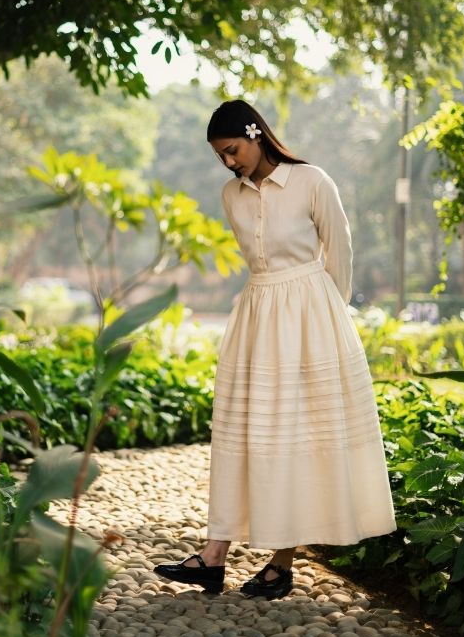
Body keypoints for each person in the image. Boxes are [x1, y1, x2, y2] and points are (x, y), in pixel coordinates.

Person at [155, 100, 396, 599]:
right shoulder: (231, 194)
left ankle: (280, 564)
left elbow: (340, 251)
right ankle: (214, 556)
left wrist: (329, 317)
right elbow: (256, 260)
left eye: (232, 150)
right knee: (248, 429)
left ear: (255, 135)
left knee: (295, 433)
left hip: (311, 315)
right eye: (220, 156)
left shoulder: (311, 181)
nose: (228, 163)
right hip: (257, 315)